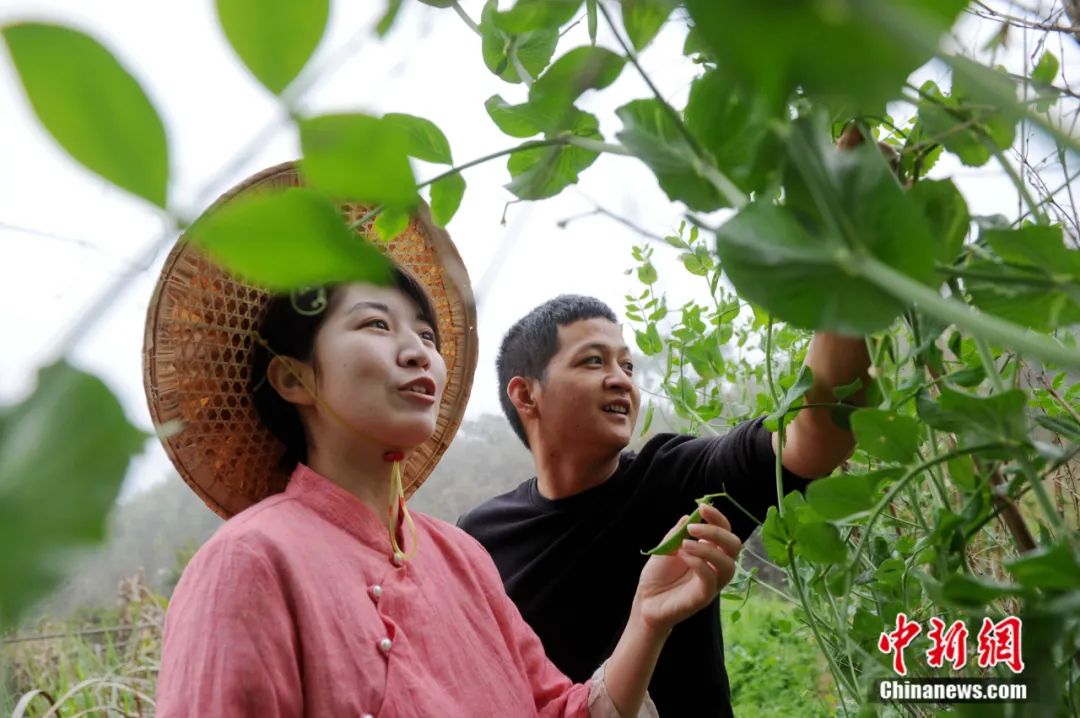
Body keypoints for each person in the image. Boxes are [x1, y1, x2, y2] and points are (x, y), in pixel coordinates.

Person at [145, 162, 744, 717]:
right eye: (376, 324)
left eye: (427, 335)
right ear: (293, 377)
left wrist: (647, 619)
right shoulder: (250, 562)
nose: (419, 352)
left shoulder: (462, 560)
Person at [457, 294, 870, 717]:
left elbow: (812, 439)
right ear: (526, 395)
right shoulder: (479, 539)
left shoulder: (676, 480)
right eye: (593, 361)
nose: (621, 379)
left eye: (627, 365)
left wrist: (841, 285)